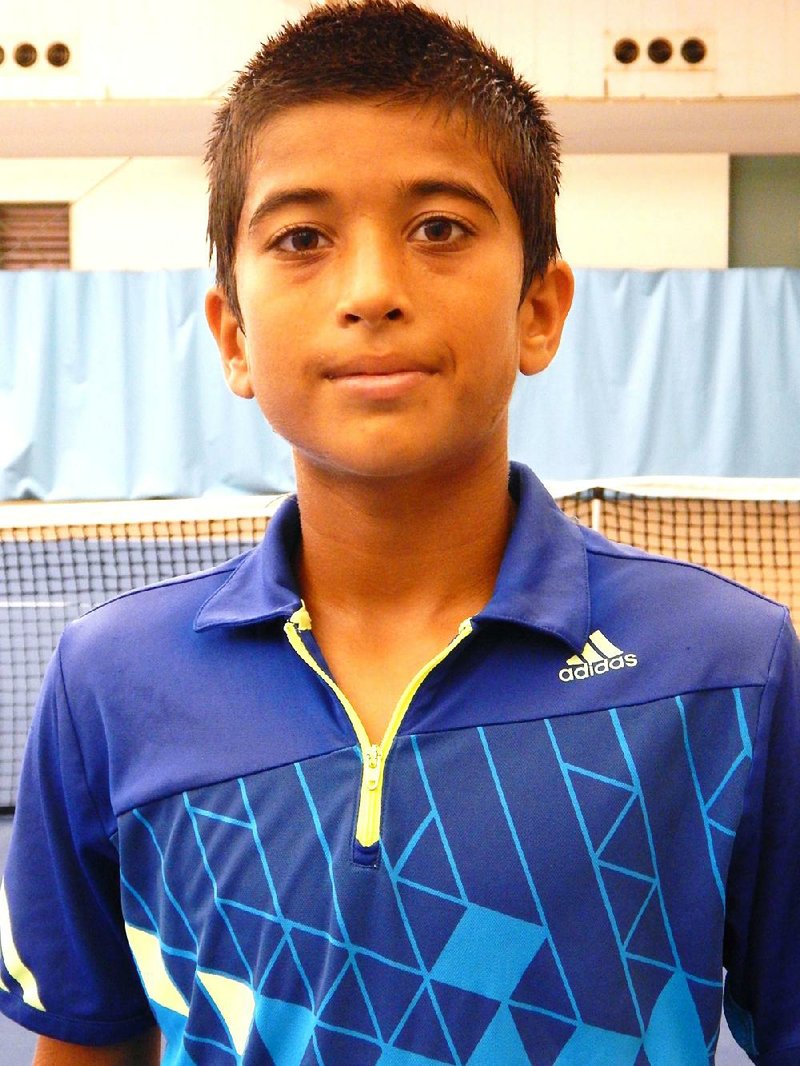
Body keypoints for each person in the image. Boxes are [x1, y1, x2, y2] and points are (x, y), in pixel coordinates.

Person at [1, 2, 798, 1063]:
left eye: (438, 228)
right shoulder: (108, 682)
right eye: (301, 238)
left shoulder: (730, 667)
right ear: (231, 335)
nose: (371, 290)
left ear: (540, 310)